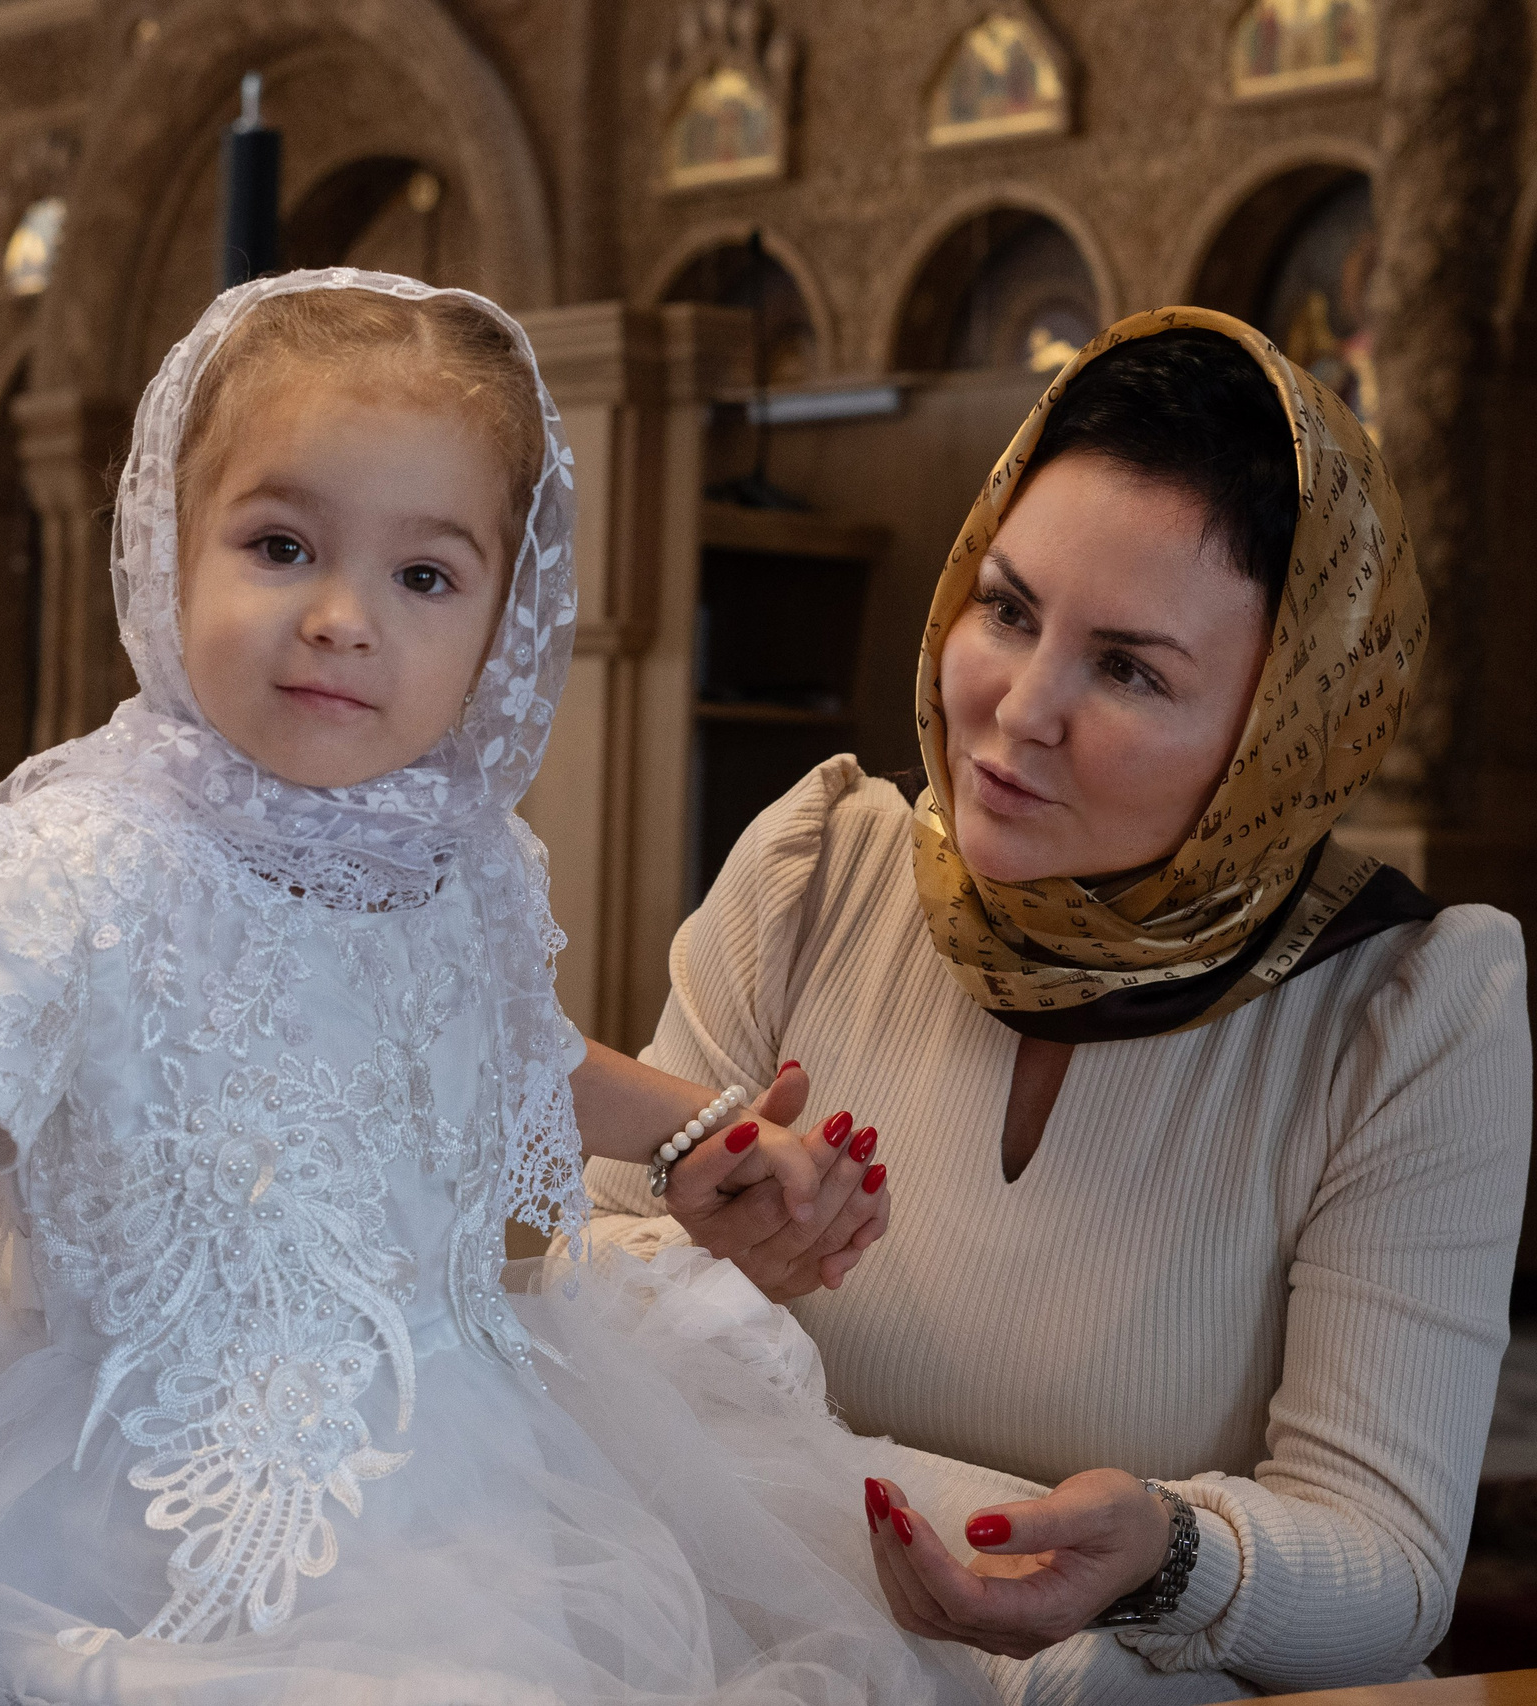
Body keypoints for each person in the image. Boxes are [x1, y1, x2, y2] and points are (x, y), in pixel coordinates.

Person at [0, 270, 983, 1706]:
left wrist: (696, 1127)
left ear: (502, 622)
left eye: (426, 576)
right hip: (141, 1472)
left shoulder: (462, 863)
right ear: (171, 551)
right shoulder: (70, 860)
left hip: (485, 1453)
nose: (346, 617)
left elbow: (507, 1041)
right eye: (282, 544)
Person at [589, 308, 1531, 1699]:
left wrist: (1171, 1559)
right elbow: (568, 1288)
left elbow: (1389, 1563)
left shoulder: (1408, 1011)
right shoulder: (816, 874)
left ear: (1285, 727)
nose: (1019, 709)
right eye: (1010, 609)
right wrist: (690, 1252)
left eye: (1131, 668)